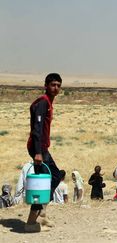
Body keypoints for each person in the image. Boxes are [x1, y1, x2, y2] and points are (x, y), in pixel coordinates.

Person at [25, 73, 63, 232]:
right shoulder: (43, 103)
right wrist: (38, 153)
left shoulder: (48, 102)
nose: (56, 88)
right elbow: (37, 129)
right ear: (46, 85)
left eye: (58, 85)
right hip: (38, 147)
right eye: (53, 84)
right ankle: (32, 222)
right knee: (49, 179)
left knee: (53, 176)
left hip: (41, 147)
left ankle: (42, 214)